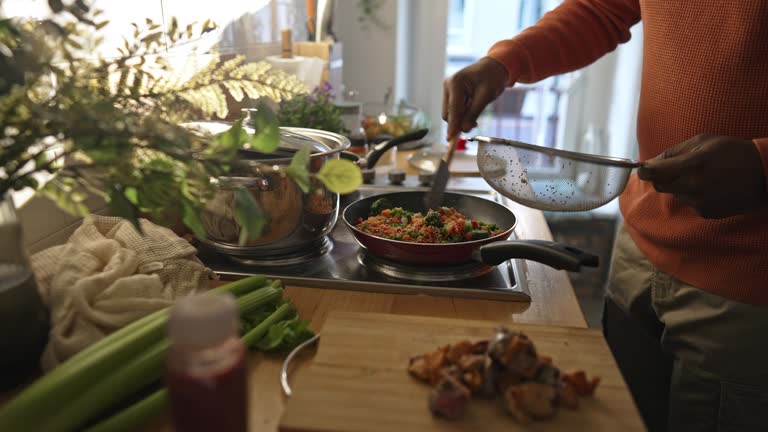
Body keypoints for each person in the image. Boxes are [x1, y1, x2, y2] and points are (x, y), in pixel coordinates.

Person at [442, 2, 768, 431]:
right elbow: (602, 9)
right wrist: (504, 62)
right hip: (640, 244)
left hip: (745, 282)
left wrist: (762, 165)